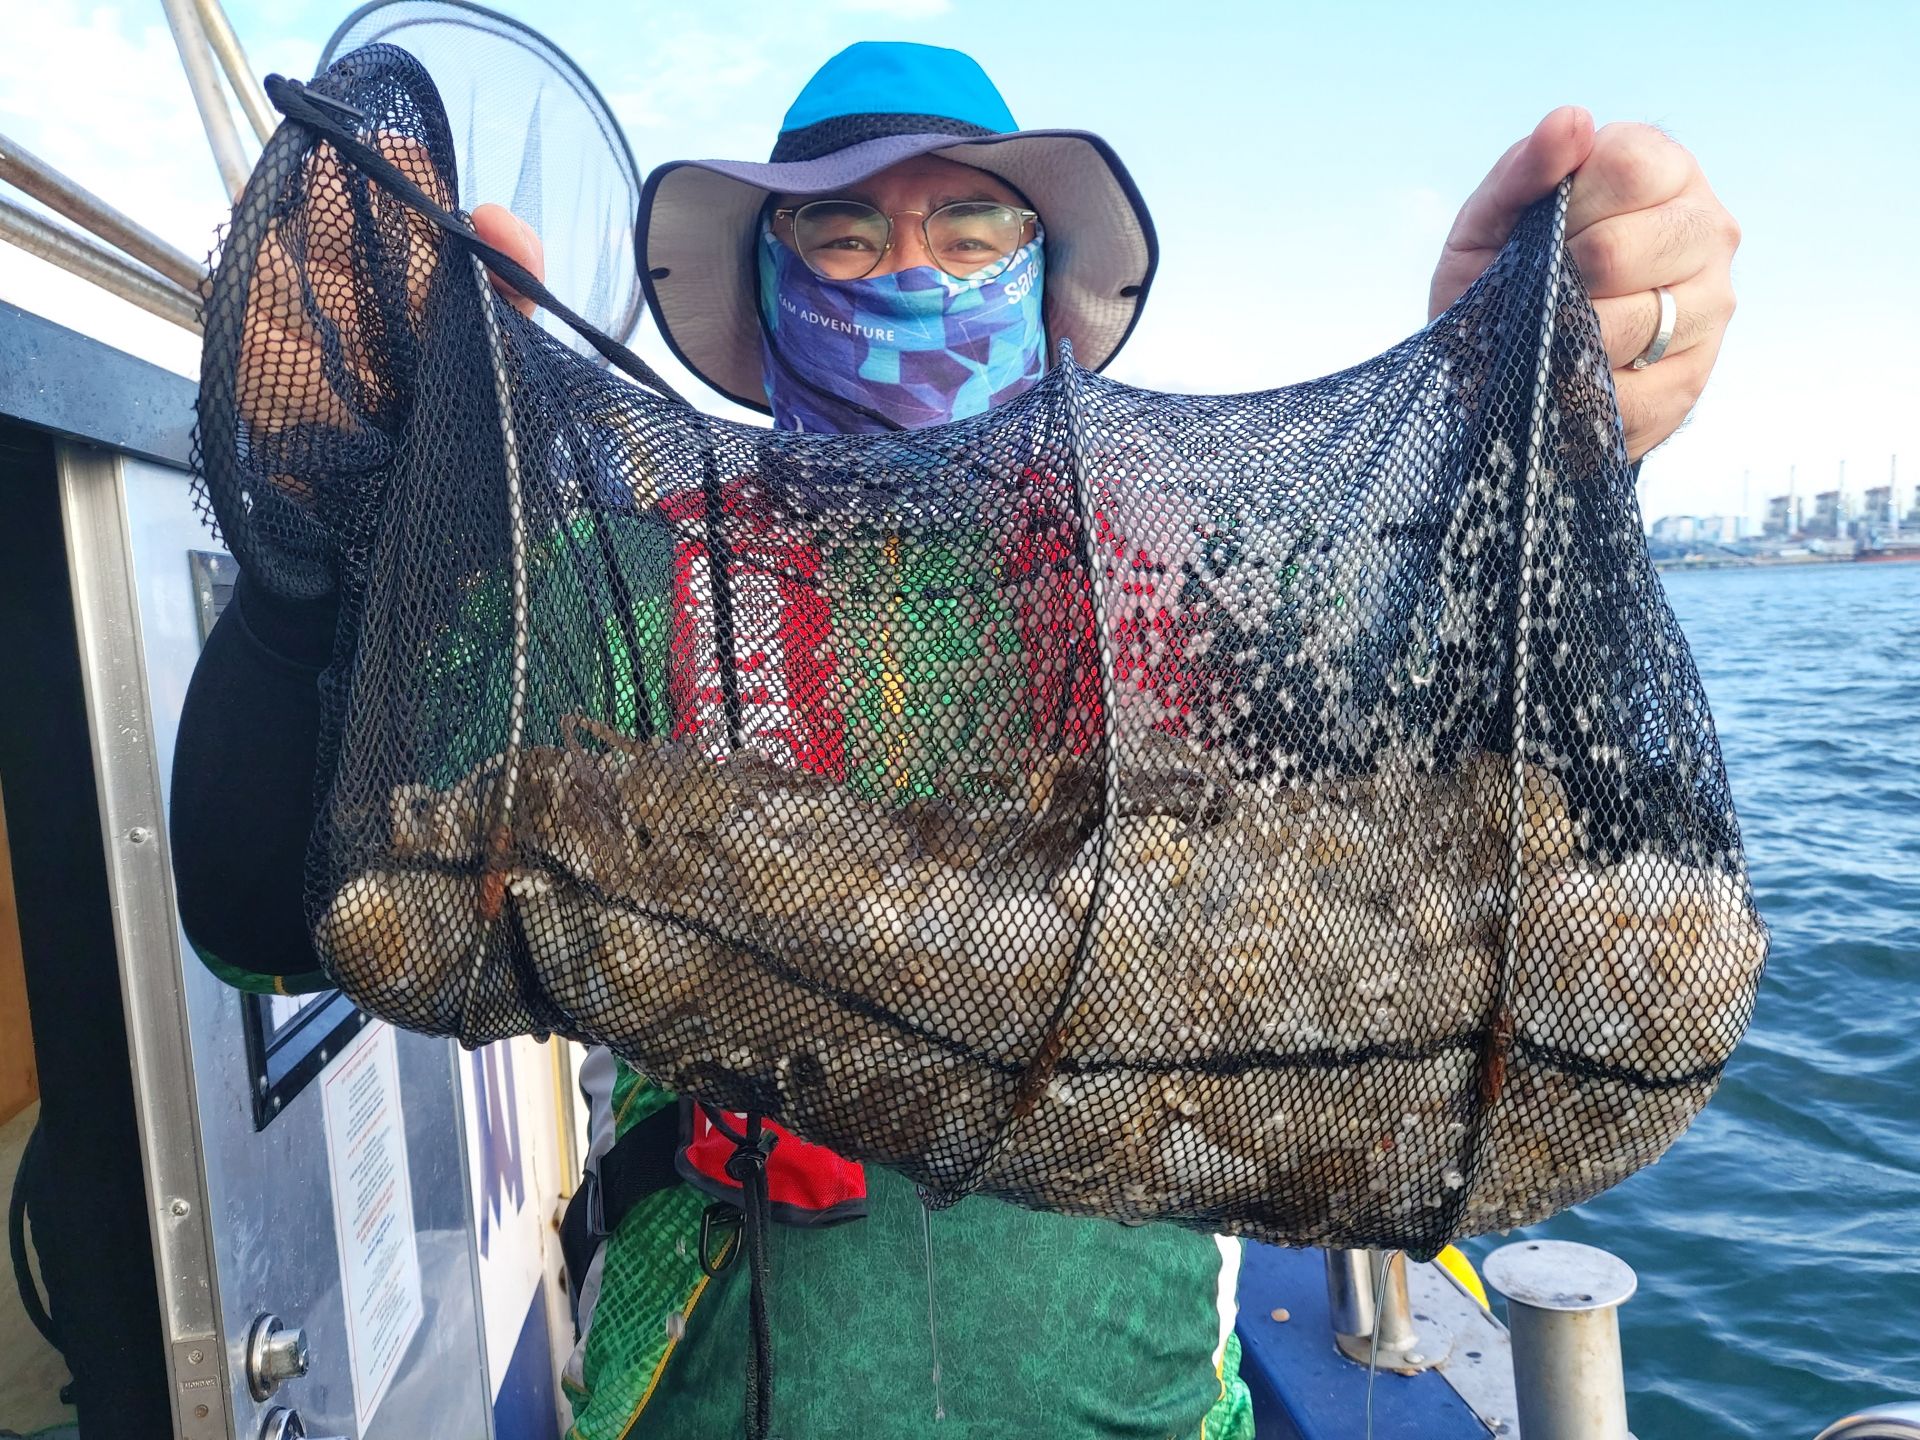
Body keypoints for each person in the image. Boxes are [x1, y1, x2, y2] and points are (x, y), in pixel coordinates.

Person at [171, 39, 1740, 1440]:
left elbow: (1476, 835)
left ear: (1045, 288)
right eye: (841, 233)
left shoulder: (1193, 591)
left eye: (971, 228)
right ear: (768, 293)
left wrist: (1507, 426)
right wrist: (326, 551)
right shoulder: (627, 589)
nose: (907, 272)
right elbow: (268, 924)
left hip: (1138, 1405)